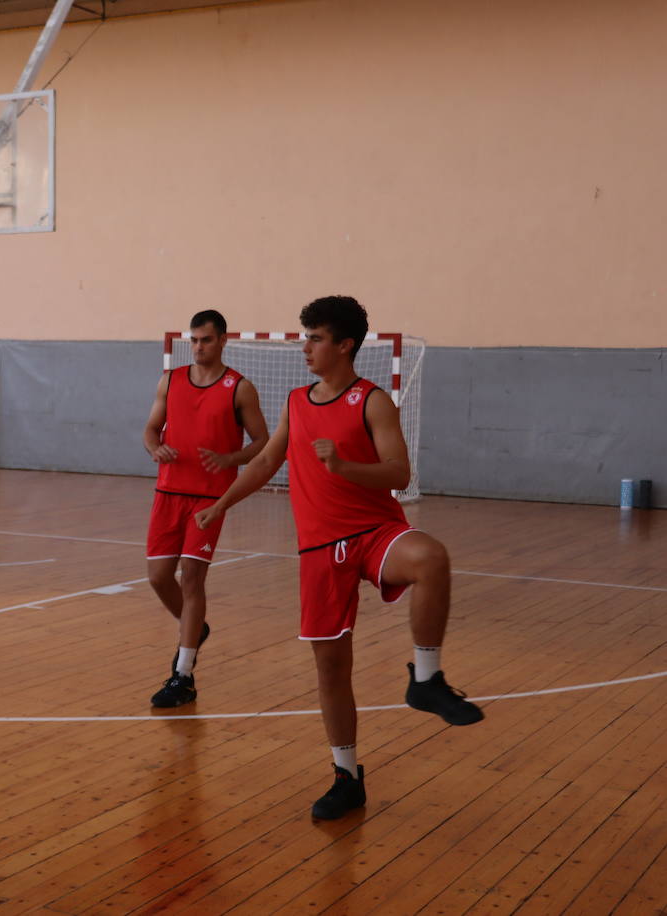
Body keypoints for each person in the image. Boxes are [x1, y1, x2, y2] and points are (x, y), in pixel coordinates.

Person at [195, 295, 482, 821]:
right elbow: (263, 462)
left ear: (345, 345)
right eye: (305, 336)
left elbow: (399, 474)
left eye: (316, 338)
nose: (305, 347)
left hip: (374, 533)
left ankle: (426, 679)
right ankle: (347, 777)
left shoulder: (373, 401)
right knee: (332, 667)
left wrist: (346, 467)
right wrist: (221, 505)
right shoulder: (297, 402)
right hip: (320, 551)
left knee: (431, 558)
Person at [142, 310, 267, 707]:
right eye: (193, 340)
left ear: (223, 341)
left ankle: (183, 674)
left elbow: (263, 441)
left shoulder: (239, 388)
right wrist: (154, 447)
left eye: (206, 340)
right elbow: (150, 429)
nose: (198, 347)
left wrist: (232, 459)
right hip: (168, 493)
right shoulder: (171, 380)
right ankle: (195, 630)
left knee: (193, 580)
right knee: (159, 577)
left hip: (209, 500)